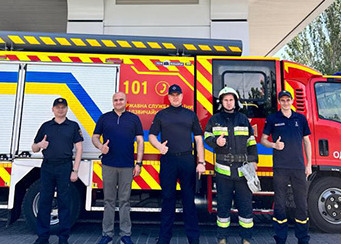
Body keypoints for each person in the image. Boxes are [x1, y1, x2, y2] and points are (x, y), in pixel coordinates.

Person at [149, 84, 206, 244]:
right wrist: (159, 146)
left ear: (182, 96)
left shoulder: (191, 115)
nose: (175, 97)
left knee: (189, 200)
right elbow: (152, 136)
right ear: (168, 97)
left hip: (187, 160)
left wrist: (201, 162)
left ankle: (194, 239)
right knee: (168, 199)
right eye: (172, 95)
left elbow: (198, 140)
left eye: (178, 95)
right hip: (168, 160)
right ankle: (164, 239)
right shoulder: (161, 115)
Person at [204, 87, 258, 244]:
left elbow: (251, 142)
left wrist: (254, 160)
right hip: (224, 172)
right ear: (221, 102)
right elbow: (207, 137)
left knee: (245, 207)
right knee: (223, 207)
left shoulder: (243, 119)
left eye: (231, 100)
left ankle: (246, 238)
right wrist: (216, 141)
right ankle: (222, 238)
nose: (228, 103)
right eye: (226, 100)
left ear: (235, 101)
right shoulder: (214, 119)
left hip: (243, 172)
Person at [92, 92, 144, 244]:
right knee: (108, 200)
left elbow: (140, 141)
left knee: (124, 201)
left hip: (127, 165)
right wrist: (100, 146)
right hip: (108, 165)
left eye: (121, 99)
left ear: (126, 101)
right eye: (115, 100)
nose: (118, 102)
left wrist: (138, 163)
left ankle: (125, 234)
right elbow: (95, 137)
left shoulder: (134, 118)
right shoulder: (104, 118)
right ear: (112, 102)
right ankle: (107, 234)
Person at [261, 90, 312, 244]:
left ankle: (303, 239)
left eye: (288, 100)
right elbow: (263, 140)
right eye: (282, 100)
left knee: (301, 204)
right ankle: (280, 239)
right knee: (280, 204)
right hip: (280, 168)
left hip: (298, 167)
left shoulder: (300, 118)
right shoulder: (272, 119)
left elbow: (307, 141)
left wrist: (308, 164)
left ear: (292, 101)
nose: (285, 103)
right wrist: (274, 145)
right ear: (279, 102)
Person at [32, 97, 84, 244]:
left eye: (63, 107)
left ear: (66, 109)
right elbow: (34, 148)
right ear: (53, 109)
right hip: (47, 167)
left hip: (64, 166)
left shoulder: (73, 126)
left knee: (64, 203)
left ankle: (63, 238)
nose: (60, 110)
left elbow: (79, 148)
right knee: (44, 202)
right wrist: (40, 145)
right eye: (58, 107)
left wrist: (75, 170)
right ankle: (42, 238)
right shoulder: (46, 126)